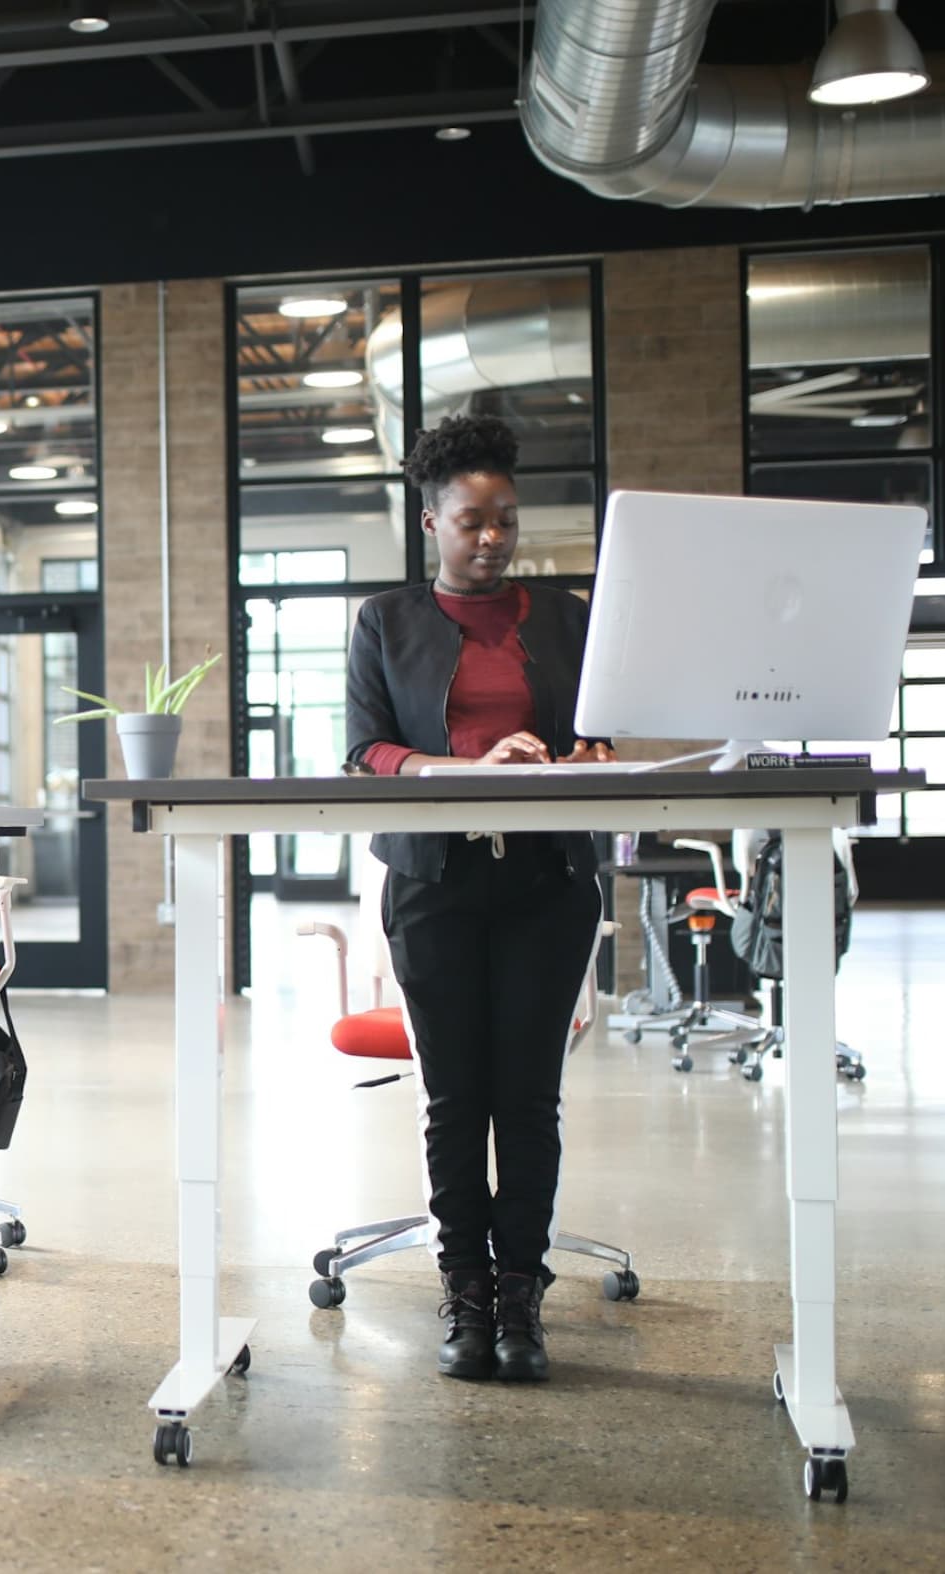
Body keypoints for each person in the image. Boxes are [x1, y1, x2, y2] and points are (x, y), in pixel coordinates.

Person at [345, 411, 611, 1384]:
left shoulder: (571, 614)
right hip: (433, 879)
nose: (492, 537)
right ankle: (462, 1285)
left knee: (527, 1097)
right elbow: (367, 748)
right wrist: (463, 761)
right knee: (456, 1098)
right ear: (430, 524)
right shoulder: (386, 620)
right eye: (470, 520)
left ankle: (520, 1295)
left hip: (547, 879)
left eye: (504, 518)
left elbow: (601, 726)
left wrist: (588, 750)